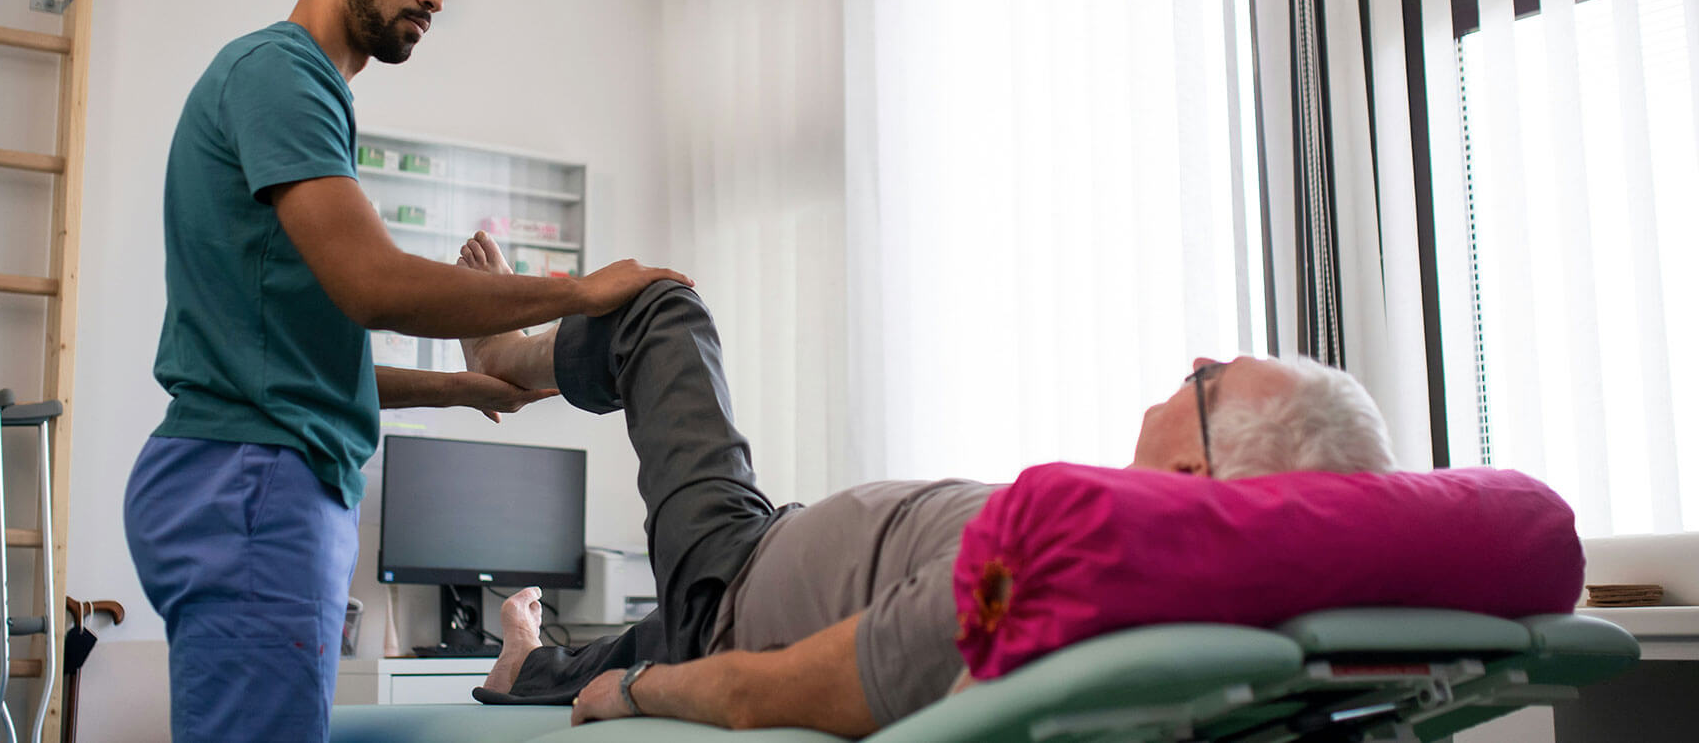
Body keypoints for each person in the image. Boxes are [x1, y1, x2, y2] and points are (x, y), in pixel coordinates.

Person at [121, 0, 691, 740]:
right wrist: (578, 292)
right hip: (256, 479)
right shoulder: (283, 74)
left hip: (242, 472)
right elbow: (374, 285)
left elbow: (290, 357)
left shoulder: (295, 86)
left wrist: (460, 388)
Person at [448, 233, 1395, 735]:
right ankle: (523, 663)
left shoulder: (1064, 573)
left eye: (1211, 379)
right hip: (765, 575)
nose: (1194, 363)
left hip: (736, 583)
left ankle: (500, 356)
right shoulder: (1127, 555)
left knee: (660, 308)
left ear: (1199, 471)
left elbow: (763, 692)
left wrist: (644, 692)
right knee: (618, 643)